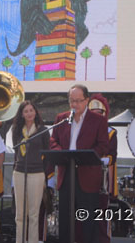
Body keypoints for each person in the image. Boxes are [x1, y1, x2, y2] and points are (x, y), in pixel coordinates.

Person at [50, 84, 109, 243]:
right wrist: (59, 152)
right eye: (71, 101)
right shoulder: (61, 118)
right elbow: (53, 140)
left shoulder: (98, 121)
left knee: (88, 219)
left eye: (78, 101)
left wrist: (86, 155)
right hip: (66, 173)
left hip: (87, 174)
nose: (74, 104)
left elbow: (103, 145)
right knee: (65, 217)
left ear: (87, 100)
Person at [11, 101, 50, 243]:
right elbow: (16, 152)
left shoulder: (43, 130)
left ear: (35, 112)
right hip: (19, 172)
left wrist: (44, 173)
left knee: (34, 214)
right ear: (21, 114)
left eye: (31, 110)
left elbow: (48, 154)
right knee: (20, 214)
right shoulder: (16, 130)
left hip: (37, 173)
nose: (29, 113)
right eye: (26, 111)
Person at [86, 94, 117, 243]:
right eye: (93, 113)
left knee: (101, 215)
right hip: (84, 177)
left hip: (102, 179)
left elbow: (113, 156)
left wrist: (99, 159)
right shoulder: (83, 130)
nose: (96, 116)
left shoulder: (111, 132)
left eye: (99, 113)